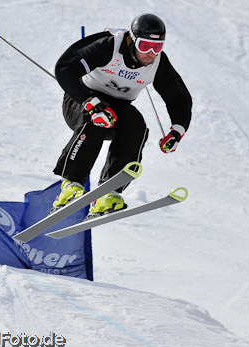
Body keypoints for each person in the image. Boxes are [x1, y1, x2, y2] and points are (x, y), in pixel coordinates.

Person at [52, 13, 192, 216]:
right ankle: (70, 185)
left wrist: (177, 130)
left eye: (157, 47)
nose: (151, 53)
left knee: (137, 126)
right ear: (132, 40)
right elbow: (64, 67)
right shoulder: (109, 46)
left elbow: (179, 98)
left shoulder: (157, 63)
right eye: (145, 46)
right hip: (81, 100)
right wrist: (91, 103)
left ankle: (108, 193)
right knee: (99, 119)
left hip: (117, 108)